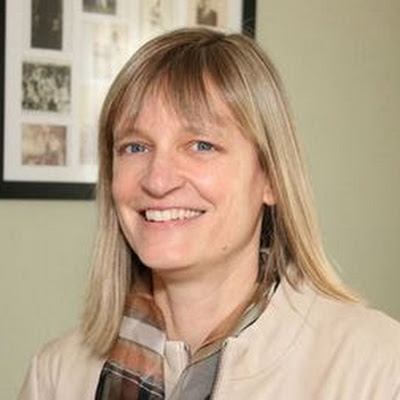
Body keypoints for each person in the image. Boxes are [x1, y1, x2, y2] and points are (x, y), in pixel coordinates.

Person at [18, 27, 400, 400]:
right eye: (135, 147)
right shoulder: (56, 374)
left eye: (201, 145)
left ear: (271, 178)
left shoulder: (379, 368)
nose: (158, 180)